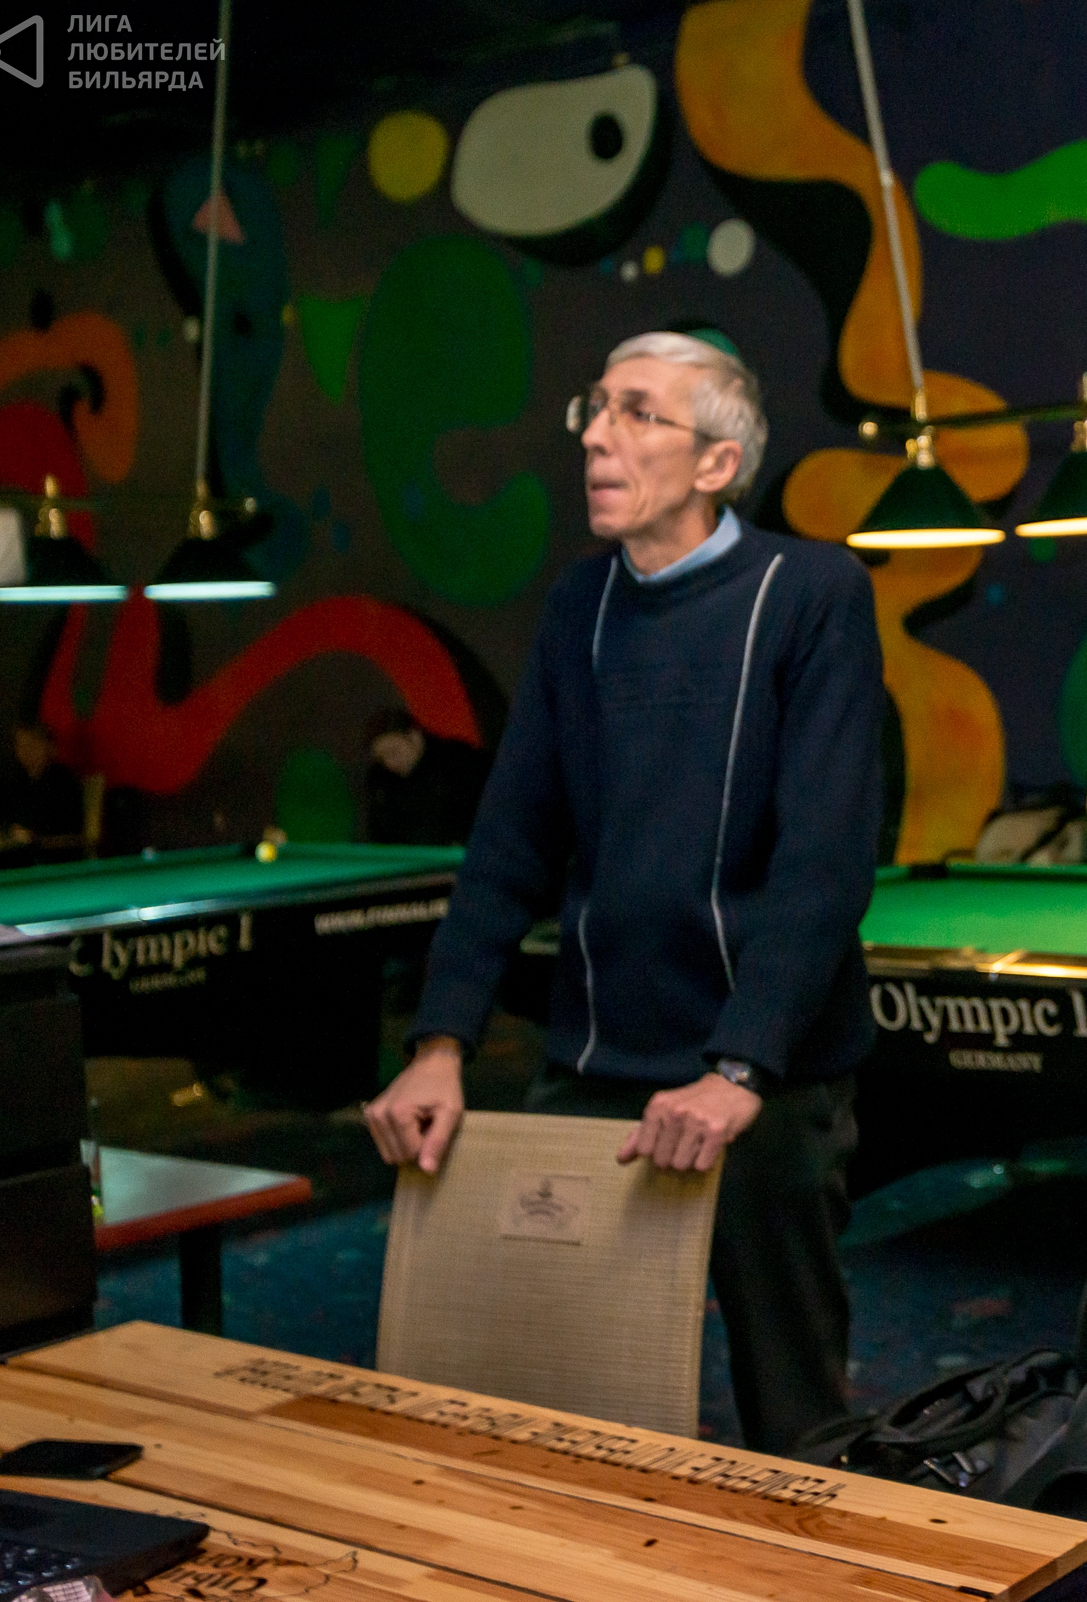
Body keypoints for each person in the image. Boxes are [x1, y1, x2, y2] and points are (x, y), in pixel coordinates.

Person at [362, 332, 886, 1455]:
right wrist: (440, 1043)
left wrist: (738, 1068)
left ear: (717, 463)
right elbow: (510, 842)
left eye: (637, 413)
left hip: (766, 1077)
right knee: (553, 1397)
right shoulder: (578, 607)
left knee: (796, 1414)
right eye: (595, 409)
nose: (597, 437)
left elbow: (826, 862)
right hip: (600, 1063)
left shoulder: (812, 593)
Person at [362, 707, 490, 846]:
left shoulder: (462, 763)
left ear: (415, 736)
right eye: (382, 758)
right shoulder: (381, 783)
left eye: (394, 751)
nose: (389, 763)